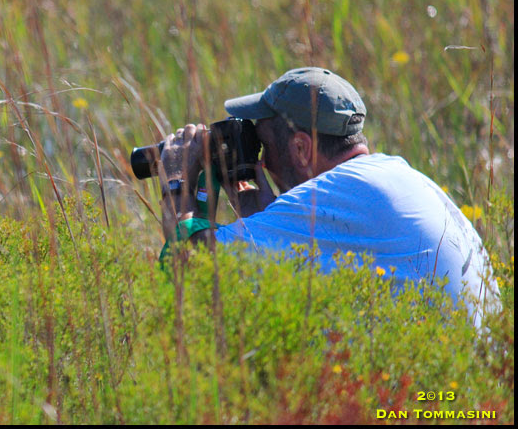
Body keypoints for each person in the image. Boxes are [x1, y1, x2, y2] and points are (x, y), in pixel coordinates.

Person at [156, 67, 500, 324]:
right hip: (471, 387)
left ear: (302, 148)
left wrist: (177, 181)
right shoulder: (389, 178)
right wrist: (247, 190)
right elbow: (278, 262)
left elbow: (194, 270)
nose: (261, 160)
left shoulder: (340, 193)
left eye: (266, 146)